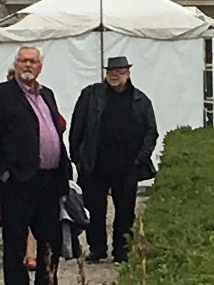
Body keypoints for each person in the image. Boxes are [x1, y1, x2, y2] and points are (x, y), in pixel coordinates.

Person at [0, 43, 74, 285]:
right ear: (16, 65)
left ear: (40, 66)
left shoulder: (48, 95)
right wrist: (3, 173)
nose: (28, 65)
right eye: (23, 61)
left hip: (49, 180)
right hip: (18, 182)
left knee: (51, 243)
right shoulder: (0, 95)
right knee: (16, 244)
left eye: (33, 61)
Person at [66, 50, 158, 263]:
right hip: (94, 164)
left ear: (128, 73)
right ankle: (97, 248)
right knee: (94, 211)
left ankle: (122, 249)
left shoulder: (140, 100)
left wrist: (140, 159)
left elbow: (150, 132)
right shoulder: (91, 95)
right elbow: (77, 127)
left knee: (125, 212)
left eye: (120, 71)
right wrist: (77, 158)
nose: (115, 75)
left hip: (127, 167)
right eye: (111, 71)